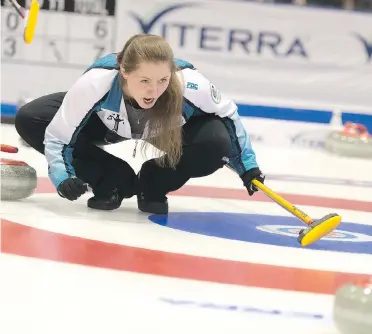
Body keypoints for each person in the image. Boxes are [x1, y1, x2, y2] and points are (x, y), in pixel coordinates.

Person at [14, 34, 265, 214]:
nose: (153, 91)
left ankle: (154, 183)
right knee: (31, 118)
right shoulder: (96, 83)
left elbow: (228, 117)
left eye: (162, 80)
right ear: (123, 70)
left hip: (166, 131)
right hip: (102, 125)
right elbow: (58, 137)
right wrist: (63, 177)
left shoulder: (190, 84)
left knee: (217, 140)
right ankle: (112, 179)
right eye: (144, 80)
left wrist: (247, 167)